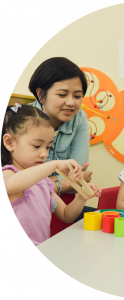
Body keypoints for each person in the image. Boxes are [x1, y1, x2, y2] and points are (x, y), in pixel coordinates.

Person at [0, 104, 101, 246]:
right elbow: (11, 186)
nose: (44, 154)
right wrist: (53, 164)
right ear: (10, 142)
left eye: (48, 147)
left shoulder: (44, 183)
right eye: (36, 146)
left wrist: (81, 198)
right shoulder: (8, 174)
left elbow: (66, 215)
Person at [27, 57, 97, 223]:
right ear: (41, 95)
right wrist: (64, 184)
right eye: (62, 94)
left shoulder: (79, 118)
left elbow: (78, 181)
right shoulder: (22, 122)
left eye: (77, 96)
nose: (71, 103)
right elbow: (22, 184)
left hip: (59, 205)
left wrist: (71, 184)